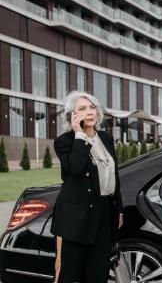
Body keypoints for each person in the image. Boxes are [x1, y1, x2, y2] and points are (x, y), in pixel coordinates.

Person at [51, 91, 123, 283]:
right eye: (82, 108)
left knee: (98, 273)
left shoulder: (106, 139)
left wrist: (119, 209)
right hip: (77, 217)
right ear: (72, 116)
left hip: (104, 213)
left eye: (92, 107)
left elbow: (113, 174)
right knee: (71, 274)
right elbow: (75, 167)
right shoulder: (64, 142)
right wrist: (80, 135)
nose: (90, 111)